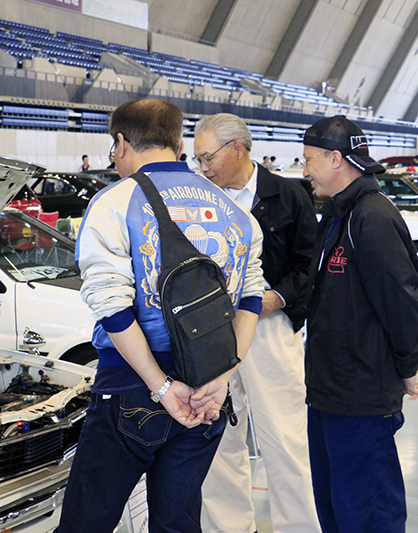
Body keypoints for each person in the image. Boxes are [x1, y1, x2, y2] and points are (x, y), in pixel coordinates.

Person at [55, 99, 265, 533]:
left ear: (120, 143)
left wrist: (163, 387)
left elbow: (112, 307)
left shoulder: (114, 202)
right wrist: (219, 380)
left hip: (132, 391)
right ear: (179, 143)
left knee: (85, 525)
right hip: (207, 393)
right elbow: (250, 300)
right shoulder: (236, 213)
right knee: (177, 524)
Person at [194, 113, 320, 533]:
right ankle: (231, 527)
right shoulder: (197, 199)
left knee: (284, 439)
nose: (203, 167)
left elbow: (309, 264)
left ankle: (301, 526)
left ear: (237, 149)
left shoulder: (289, 195)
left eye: (207, 157)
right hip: (213, 332)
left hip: (269, 329)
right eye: (196, 160)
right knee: (219, 440)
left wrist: (276, 298)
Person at [302, 115, 418, 532]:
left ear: (336, 159)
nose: (304, 168)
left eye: (309, 159)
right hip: (329, 390)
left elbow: (400, 299)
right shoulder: (338, 214)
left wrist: (409, 366)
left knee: (368, 510)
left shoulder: (371, 218)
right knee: (334, 503)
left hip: (361, 393)